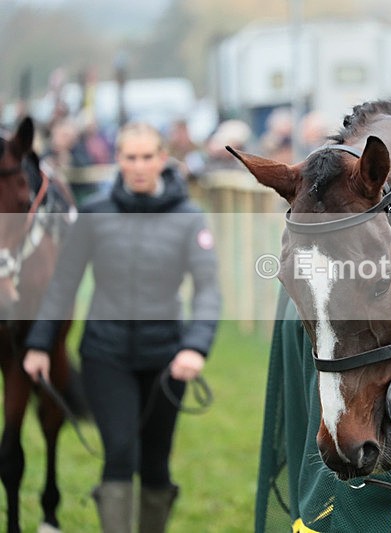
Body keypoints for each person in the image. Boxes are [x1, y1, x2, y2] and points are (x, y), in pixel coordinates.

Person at [23, 121, 221, 533]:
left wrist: (195, 347)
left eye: (147, 156)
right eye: (130, 157)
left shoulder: (189, 218)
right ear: (119, 161)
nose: (139, 166)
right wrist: (40, 344)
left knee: (155, 464)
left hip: (167, 358)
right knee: (119, 453)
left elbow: (208, 290)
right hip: (105, 355)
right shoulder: (94, 214)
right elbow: (64, 283)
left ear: (162, 159)